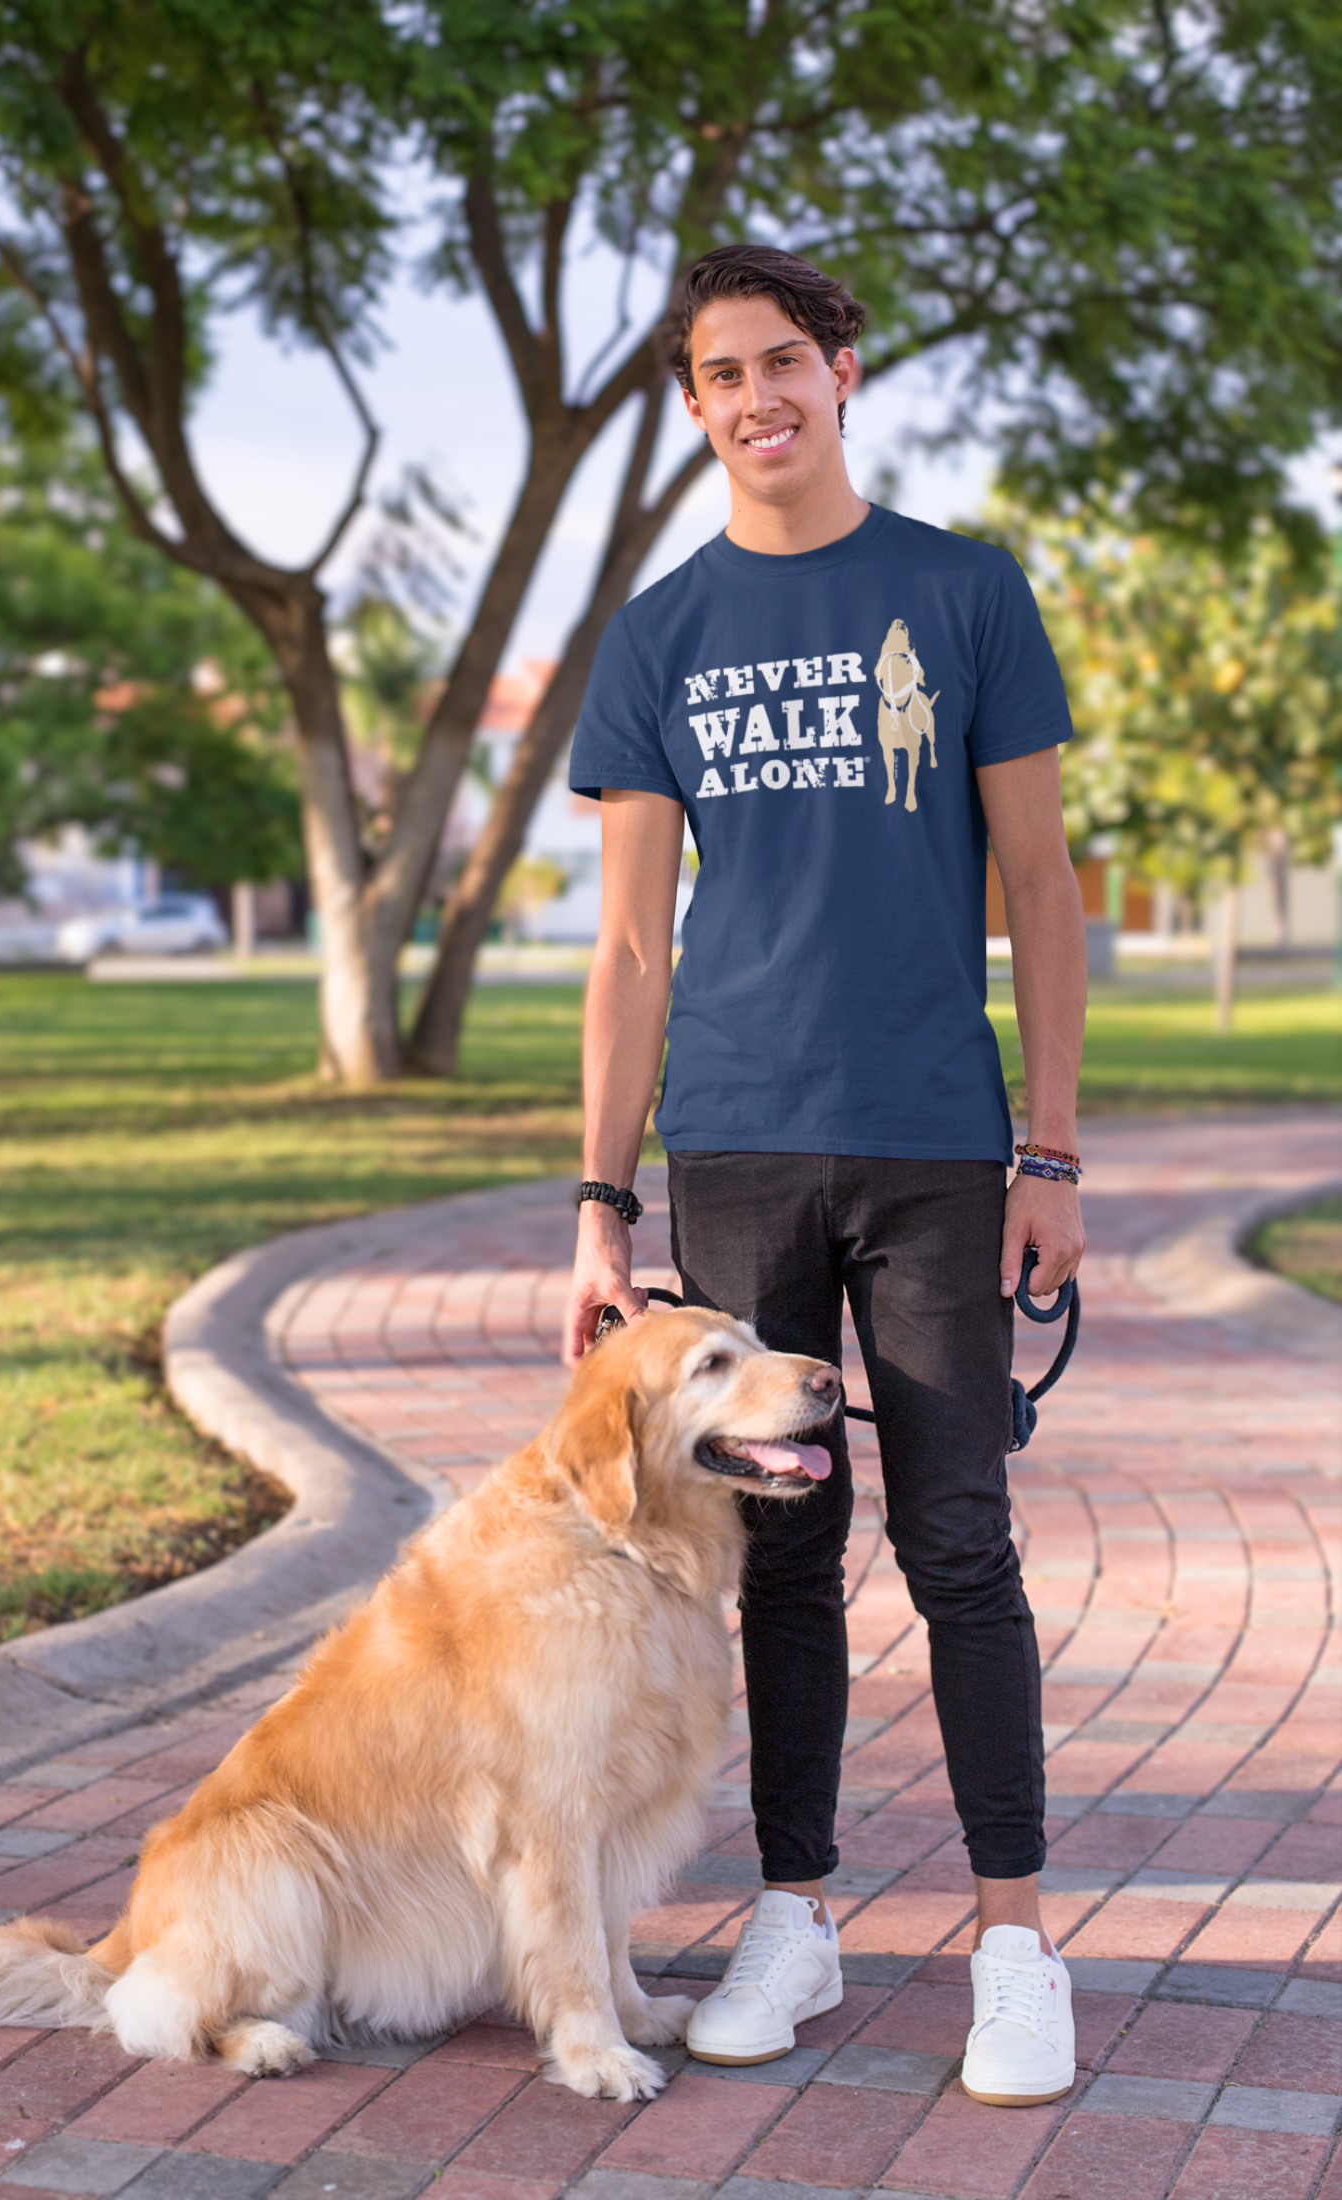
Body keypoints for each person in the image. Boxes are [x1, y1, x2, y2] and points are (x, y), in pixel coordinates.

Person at [563, 243, 1087, 2106]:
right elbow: (632, 948)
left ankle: (1015, 1945)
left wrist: (1050, 1149)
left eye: (781, 360)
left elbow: (1040, 886)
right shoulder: (658, 634)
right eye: (720, 374)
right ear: (693, 405)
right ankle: (796, 1912)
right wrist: (602, 1201)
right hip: (739, 1144)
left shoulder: (963, 590)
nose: (754, 398)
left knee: (961, 1545)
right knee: (783, 1558)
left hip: (940, 1145)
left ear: (841, 370)